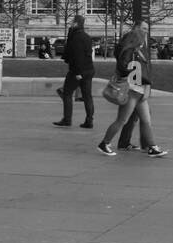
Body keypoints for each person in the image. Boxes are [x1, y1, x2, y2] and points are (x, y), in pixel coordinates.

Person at [98, 24, 166, 157]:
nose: (143, 42)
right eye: (141, 39)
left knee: (146, 120)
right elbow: (124, 68)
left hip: (139, 91)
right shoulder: (130, 52)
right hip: (131, 91)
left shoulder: (136, 52)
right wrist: (130, 72)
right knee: (121, 120)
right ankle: (104, 143)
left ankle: (152, 147)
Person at [55, 14, 96, 128]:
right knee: (87, 96)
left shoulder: (76, 37)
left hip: (77, 71)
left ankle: (67, 119)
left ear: (76, 23)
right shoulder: (86, 37)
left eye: (73, 21)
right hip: (89, 70)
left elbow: (77, 56)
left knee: (67, 93)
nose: (71, 23)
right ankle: (89, 120)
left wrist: (78, 73)